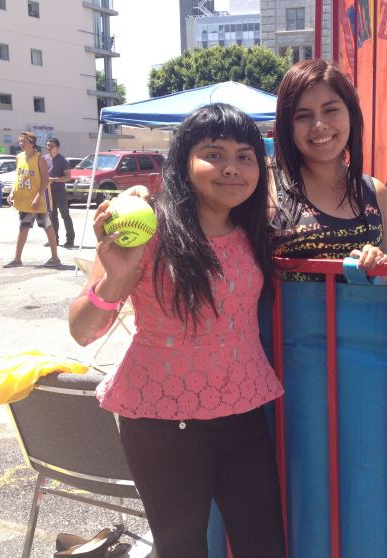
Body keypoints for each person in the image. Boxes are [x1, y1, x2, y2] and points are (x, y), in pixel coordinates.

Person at [69, 104, 286, 558]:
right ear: (184, 160)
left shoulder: (256, 230)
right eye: (214, 154)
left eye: (245, 156)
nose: (231, 167)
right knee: (182, 549)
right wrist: (115, 279)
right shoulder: (146, 232)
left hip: (242, 411)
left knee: (264, 546)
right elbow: (83, 332)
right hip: (161, 422)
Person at [272, 59, 387, 278]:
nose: (319, 125)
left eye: (331, 110)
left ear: (351, 115)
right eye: (303, 115)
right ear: (287, 125)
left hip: (362, 302)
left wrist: (377, 262)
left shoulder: (375, 192)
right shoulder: (269, 187)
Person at [5, 131, 59, 267]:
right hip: (25, 201)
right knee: (23, 228)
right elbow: (18, 177)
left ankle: (55, 258)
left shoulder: (39, 158)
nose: (21, 143)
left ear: (32, 143)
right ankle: (17, 259)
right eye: (20, 141)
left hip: (39, 201)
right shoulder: (19, 157)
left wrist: (37, 197)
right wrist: (12, 192)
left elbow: (45, 180)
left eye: (24, 141)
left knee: (48, 227)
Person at [44, 138, 74, 248]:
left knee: (65, 215)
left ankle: (70, 240)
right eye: (48, 145)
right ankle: (54, 240)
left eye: (52, 145)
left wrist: (55, 179)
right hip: (48, 191)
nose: (49, 147)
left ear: (57, 147)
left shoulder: (63, 160)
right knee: (52, 216)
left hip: (60, 191)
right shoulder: (44, 158)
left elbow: (68, 177)